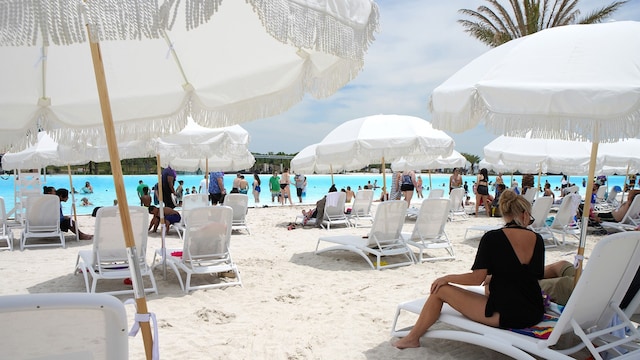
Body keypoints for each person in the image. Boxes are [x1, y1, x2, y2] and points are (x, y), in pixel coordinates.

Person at [394, 190, 544, 349]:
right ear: (525, 215)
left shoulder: (492, 238)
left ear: (505, 213)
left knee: (440, 290)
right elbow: (535, 275)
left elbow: (476, 278)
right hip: (534, 311)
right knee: (488, 286)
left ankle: (412, 338)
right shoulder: (538, 239)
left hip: (507, 314)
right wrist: (494, 279)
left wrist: (447, 278)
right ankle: (412, 337)